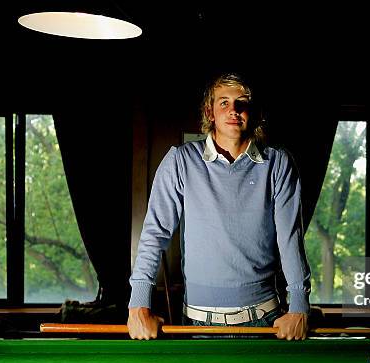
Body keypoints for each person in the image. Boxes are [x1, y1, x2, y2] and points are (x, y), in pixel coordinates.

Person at [127, 73, 311, 341]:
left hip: (264, 320)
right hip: (197, 323)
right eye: (223, 102)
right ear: (209, 112)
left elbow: (290, 239)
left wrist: (299, 305)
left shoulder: (278, 164)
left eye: (241, 102)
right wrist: (138, 304)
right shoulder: (180, 161)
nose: (233, 110)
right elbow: (155, 235)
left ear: (254, 112)